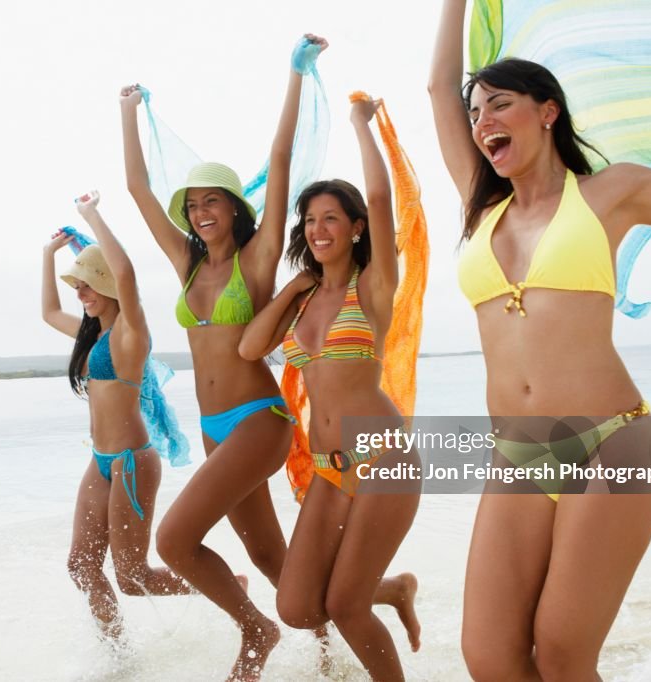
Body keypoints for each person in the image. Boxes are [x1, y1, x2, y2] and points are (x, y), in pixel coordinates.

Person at [428, 1, 651, 679]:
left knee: (565, 654)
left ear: (548, 111)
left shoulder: (612, 193)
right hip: (519, 455)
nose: (483, 121)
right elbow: (437, 88)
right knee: (490, 658)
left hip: (611, 440)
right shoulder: (481, 206)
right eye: (476, 113)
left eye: (501, 104)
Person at [120, 35, 328, 681]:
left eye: (211, 200)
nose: (199, 211)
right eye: (192, 204)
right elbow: (136, 188)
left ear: (234, 207)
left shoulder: (257, 256)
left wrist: (297, 74)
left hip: (257, 420)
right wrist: (128, 110)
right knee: (271, 559)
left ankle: (256, 632)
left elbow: (281, 157)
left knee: (174, 541)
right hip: (214, 431)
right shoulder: (186, 263)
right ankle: (338, 641)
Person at [239, 96, 421, 681]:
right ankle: (390, 589)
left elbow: (381, 199)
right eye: (310, 221)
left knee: (344, 606)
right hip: (326, 465)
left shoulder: (371, 288)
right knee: (295, 608)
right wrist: (293, 289)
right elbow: (249, 348)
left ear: (355, 228)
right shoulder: (304, 302)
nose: (318, 230)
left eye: (330, 219)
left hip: (381, 456)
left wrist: (361, 128)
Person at [41, 191, 191, 641]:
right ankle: (118, 654)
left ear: (107, 284)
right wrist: (47, 255)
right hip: (101, 462)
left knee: (131, 576)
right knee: (81, 566)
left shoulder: (130, 331)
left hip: (131, 460)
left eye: (87, 284)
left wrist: (92, 215)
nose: (81, 293)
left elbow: (126, 273)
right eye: (78, 286)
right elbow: (48, 313)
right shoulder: (88, 337)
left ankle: (220, 588)